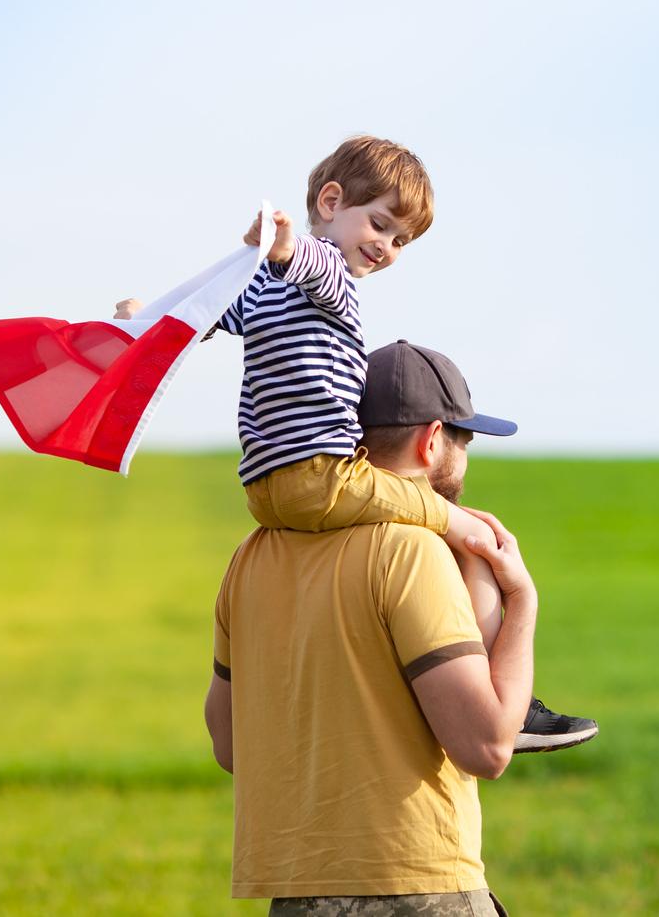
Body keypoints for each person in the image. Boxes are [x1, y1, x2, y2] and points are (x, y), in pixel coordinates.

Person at [123, 135, 594, 751]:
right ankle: (509, 700)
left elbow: (212, 315)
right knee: (469, 530)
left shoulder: (268, 288)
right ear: (330, 199)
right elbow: (311, 275)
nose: (387, 248)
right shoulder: (330, 278)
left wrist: (149, 323)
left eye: (401, 241)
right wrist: (287, 250)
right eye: (380, 225)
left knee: (452, 525)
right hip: (322, 473)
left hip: (267, 489)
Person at [207, 342, 551, 911]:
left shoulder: (250, 557)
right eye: (463, 441)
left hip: (294, 894)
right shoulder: (411, 550)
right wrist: (522, 601)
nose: (464, 458)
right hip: (417, 884)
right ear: (433, 439)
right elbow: (487, 746)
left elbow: (227, 742)